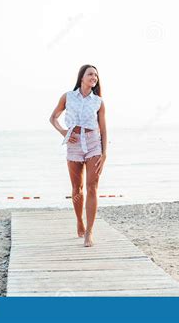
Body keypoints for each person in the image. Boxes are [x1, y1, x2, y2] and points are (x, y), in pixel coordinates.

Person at [49, 64, 107, 247]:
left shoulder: (98, 101)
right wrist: (63, 132)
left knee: (92, 186)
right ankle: (79, 221)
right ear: (81, 77)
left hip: (93, 144)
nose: (94, 77)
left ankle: (89, 232)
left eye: (96, 76)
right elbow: (53, 118)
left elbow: (104, 129)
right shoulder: (68, 97)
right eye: (90, 74)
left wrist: (104, 154)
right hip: (74, 144)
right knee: (77, 188)